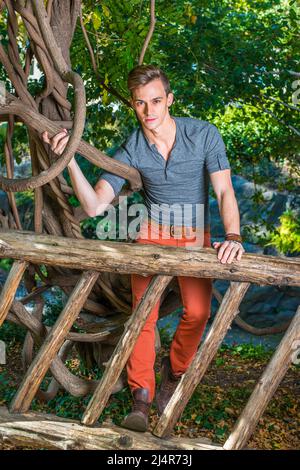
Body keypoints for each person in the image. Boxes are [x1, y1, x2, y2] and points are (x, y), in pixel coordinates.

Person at [42, 64, 245, 432]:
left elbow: (224, 191)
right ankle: (142, 396)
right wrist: (68, 158)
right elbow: (93, 206)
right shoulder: (131, 147)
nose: (149, 111)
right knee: (143, 315)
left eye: (156, 101)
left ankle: (175, 371)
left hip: (194, 234)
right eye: (140, 104)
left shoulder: (204, 134)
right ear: (134, 106)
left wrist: (233, 237)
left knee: (198, 312)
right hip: (149, 233)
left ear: (169, 99)